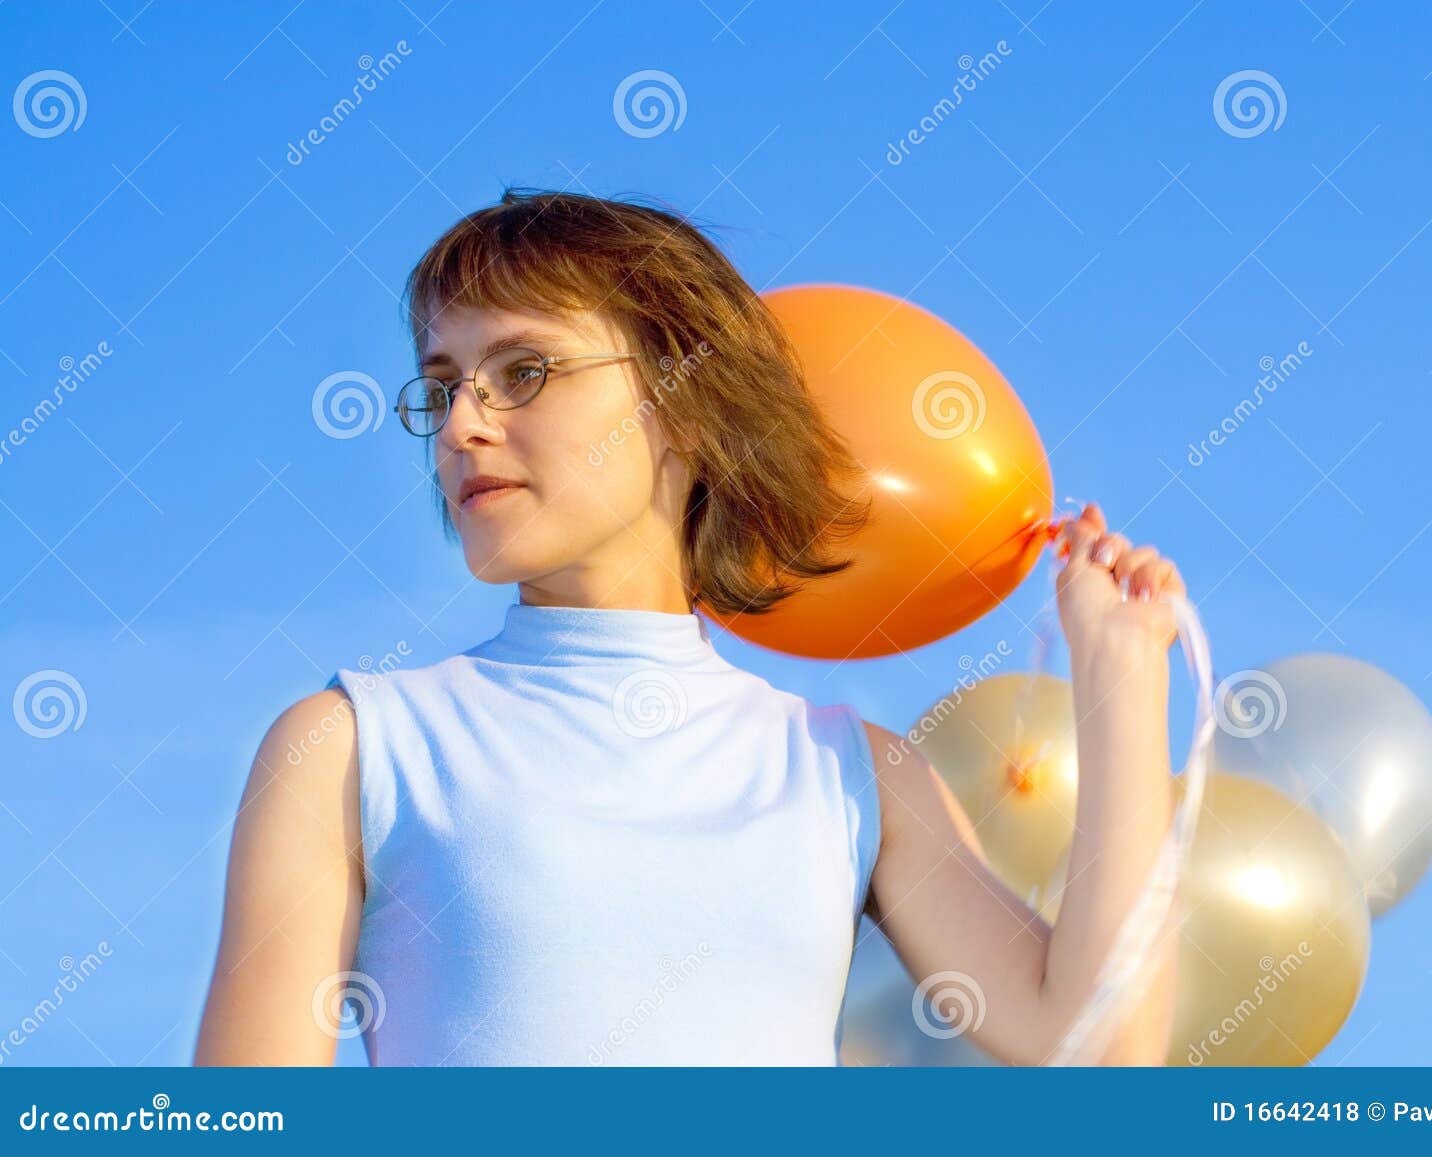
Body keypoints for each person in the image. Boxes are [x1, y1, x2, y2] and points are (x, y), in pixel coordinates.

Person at [194, 190, 1186, 1066]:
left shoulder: (851, 770)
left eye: (524, 369)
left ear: (689, 403)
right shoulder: (350, 744)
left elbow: (1100, 1052)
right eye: (444, 384)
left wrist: (1122, 679)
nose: (461, 425)